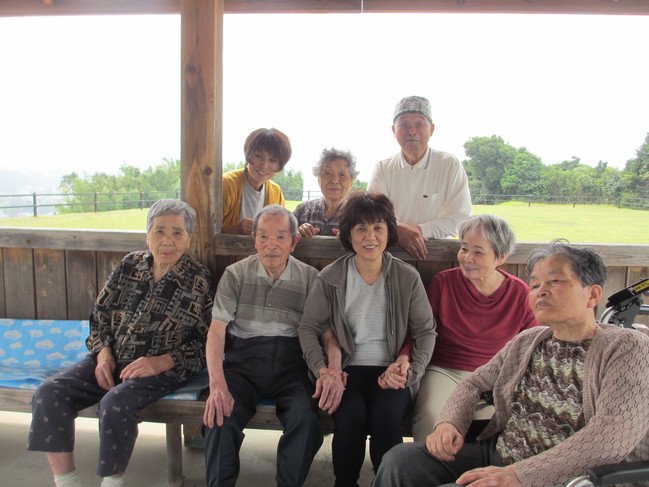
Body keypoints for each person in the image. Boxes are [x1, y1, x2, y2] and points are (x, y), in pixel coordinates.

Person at [374, 239, 649, 487]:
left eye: (555, 281)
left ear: (593, 295)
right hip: (503, 455)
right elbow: (474, 383)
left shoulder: (628, 349)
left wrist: (520, 475)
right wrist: (450, 424)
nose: (541, 291)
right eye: (535, 284)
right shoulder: (529, 340)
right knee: (401, 459)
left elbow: (610, 438)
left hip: (567, 477)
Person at [28, 199, 215, 487]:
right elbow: (99, 315)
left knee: (115, 404)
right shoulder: (130, 264)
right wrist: (103, 355)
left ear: (189, 238)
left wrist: (162, 361)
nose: (168, 240)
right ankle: (66, 482)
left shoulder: (198, 280)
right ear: (147, 234)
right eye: (160, 230)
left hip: (162, 369)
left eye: (177, 232)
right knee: (49, 392)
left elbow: (207, 340)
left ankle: (112, 483)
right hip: (110, 359)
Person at [299, 191, 437, 487]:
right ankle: (345, 482)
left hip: (390, 369)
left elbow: (425, 331)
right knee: (350, 418)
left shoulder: (406, 276)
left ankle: (387, 481)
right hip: (348, 370)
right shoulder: (331, 277)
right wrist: (322, 371)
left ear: (389, 231)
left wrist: (410, 373)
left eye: (378, 227)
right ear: (348, 234)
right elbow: (309, 327)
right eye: (360, 228)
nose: (370, 236)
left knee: (386, 418)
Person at [202, 205, 323, 487]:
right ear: (254, 239)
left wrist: (328, 369)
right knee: (219, 417)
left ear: (294, 242)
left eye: (281, 237)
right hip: (243, 362)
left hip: (292, 364)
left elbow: (323, 331)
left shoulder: (309, 278)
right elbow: (216, 330)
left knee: (306, 421)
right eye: (264, 236)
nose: (271, 245)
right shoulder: (236, 274)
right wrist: (217, 385)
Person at [409, 214, 538, 441]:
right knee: (432, 416)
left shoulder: (519, 292)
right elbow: (421, 330)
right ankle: (427, 472)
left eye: (478, 252)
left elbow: (533, 342)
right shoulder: (444, 282)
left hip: (495, 376)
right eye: (464, 248)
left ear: (501, 258)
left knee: (505, 421)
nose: (467, 258)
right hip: (445, 370)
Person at [367, 95, 471, 260]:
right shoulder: (383, 168)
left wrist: (418, 231)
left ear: (432, 129)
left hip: (436, 256)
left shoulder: (449, 165)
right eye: (404, 124)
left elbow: (460, 217)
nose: (412, 131)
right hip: (388, 256)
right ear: (394, 130)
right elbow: (371, 213)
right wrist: (399, 229)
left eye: (419, 124)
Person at [222, 127, 292, 234]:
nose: (264, 165)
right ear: (248, 154)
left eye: (272, 160)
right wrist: (236, 229)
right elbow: (203, 228)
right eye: (258, 156)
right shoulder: (226, 184)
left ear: (280, 166)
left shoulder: (276, 192)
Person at [294, 147, 359, 237]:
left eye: (342, 175)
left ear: (351, 182)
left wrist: (354, 239)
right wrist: (296, 232)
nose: (335, 180)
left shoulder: (358, 214)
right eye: (328, 173)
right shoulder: (302, 211)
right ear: (319, 179)